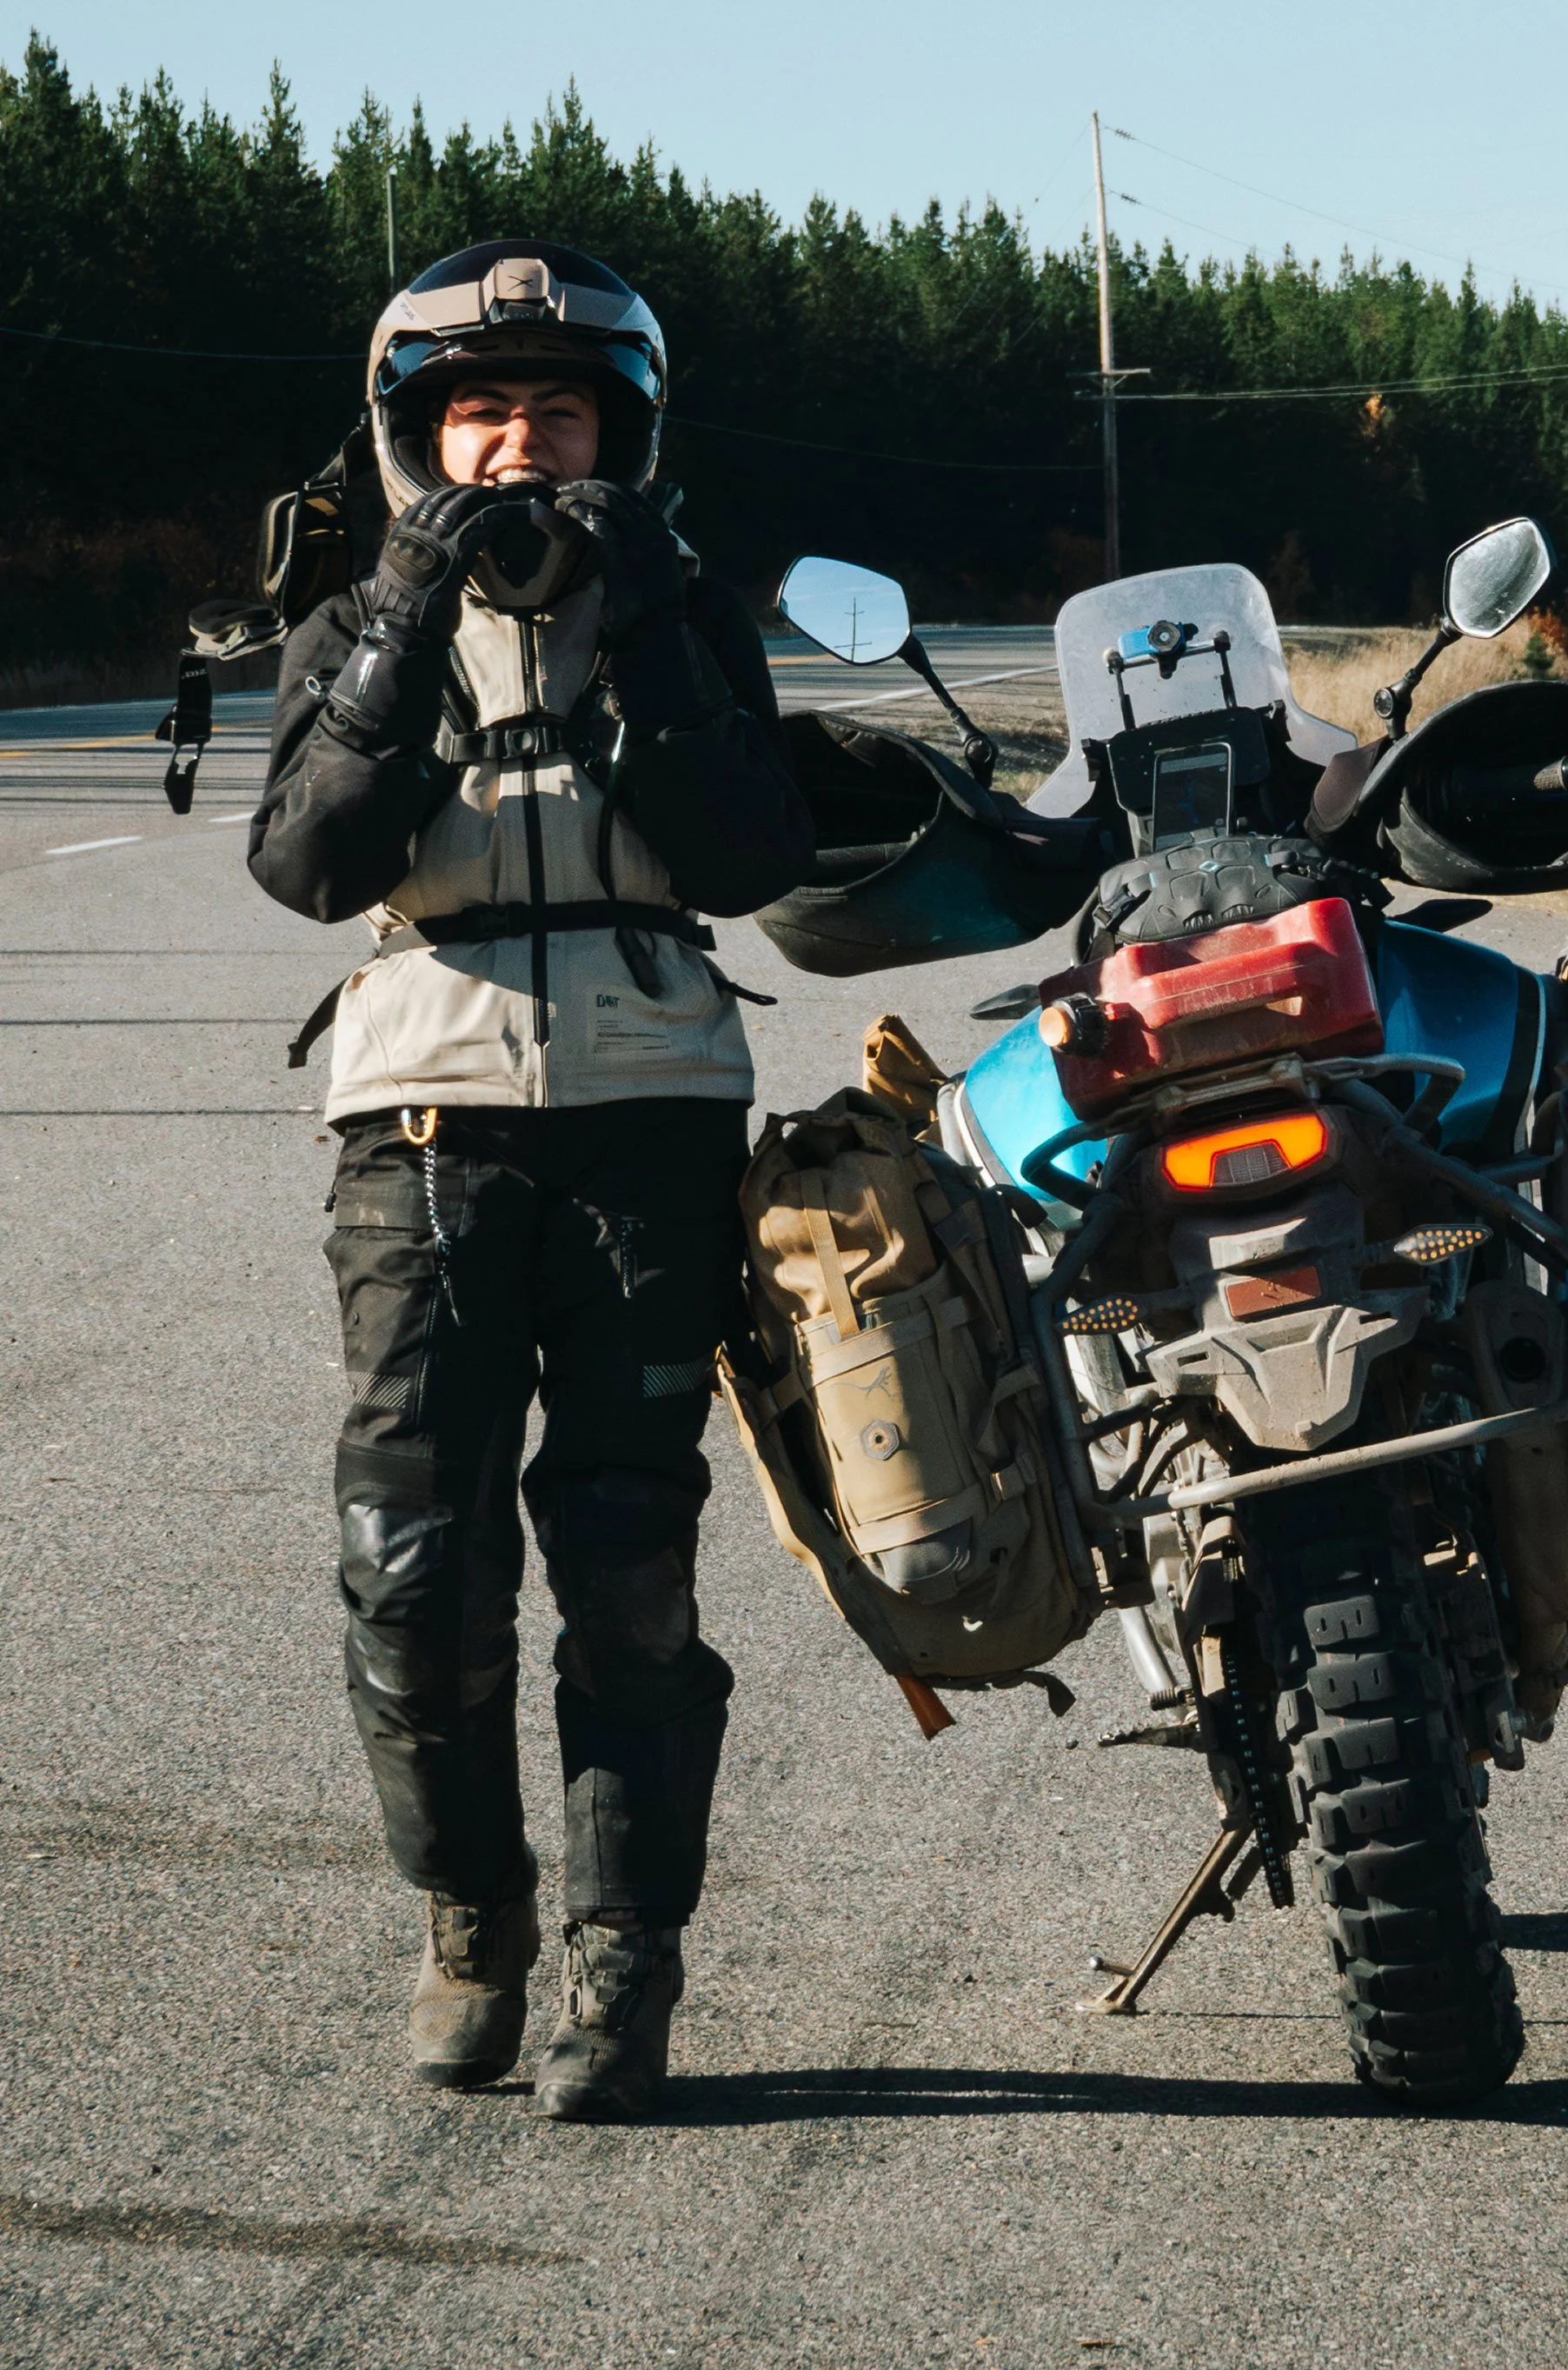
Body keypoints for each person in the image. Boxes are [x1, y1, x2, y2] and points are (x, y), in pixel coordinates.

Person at [249, 239, 812, 2120]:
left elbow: (743, 852)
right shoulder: (352, 620)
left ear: (620, 431)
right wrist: (408, 601)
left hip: (652, 1121)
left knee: (631, 1565)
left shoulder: (685, 608)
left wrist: (648, 612)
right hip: (420, 1129)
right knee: (410, 1564)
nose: (517, 443)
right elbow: (314, 865)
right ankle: (471, 1915)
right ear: (417, 436)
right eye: (479, 410)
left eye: (555, 408)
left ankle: (623, 1957)